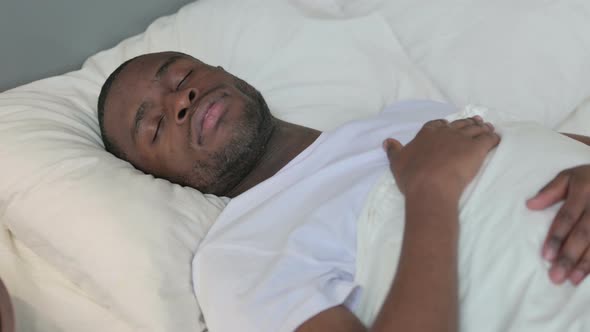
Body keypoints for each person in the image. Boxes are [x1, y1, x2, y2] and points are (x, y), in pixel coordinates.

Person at [98, 51, 590, 332]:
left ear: (222, 71)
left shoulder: (408, 114)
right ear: (160, 178)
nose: (179, 100)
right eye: (156, 126)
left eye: (181, 76)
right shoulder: (237, 258)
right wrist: (430, 190)